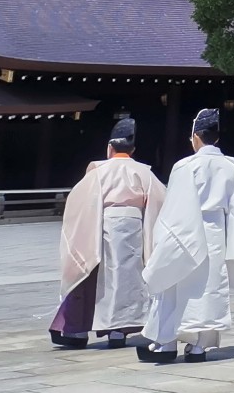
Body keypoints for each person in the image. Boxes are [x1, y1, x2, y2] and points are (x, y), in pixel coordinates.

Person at [137, 109, 234, 364]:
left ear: (196, 137)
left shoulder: (185, 166)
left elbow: (173, 207)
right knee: (208, 290)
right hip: (215, 233)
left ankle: (167, 343)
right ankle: (199, 346)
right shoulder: (230, 168)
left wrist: (163, 237)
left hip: (186, 231)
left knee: (174, 284)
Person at [52, 117, 165, 349]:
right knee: (128, 280)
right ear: (133, 150)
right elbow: (161, 200)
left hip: (101, 227)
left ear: (110, 148)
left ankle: (77, 329)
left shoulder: (98, 172)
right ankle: (119, 331)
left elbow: (78, 202)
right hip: (134, 227)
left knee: (91, 275)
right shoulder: (144, 173)